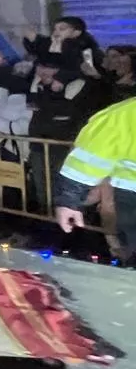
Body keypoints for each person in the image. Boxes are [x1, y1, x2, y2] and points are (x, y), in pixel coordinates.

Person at [55, 96, 136, 260]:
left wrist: (69, 200)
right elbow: (90, 157)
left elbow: (90, 156)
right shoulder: (126, 114)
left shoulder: (124, 113)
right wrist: (69, 200)